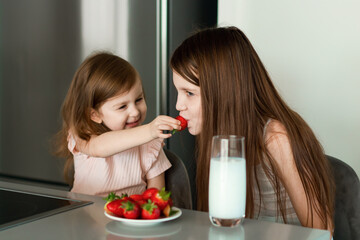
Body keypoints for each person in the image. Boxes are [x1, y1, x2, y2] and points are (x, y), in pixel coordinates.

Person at [170, 26, 335, 233]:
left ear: (223, 91)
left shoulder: (276, 138)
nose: (178, 105)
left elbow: (322, 232)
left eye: (189, 93)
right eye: (179, 92)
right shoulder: (219, 140)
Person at [55, 52, 181, 197]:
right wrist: (149, 131)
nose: (135, 112)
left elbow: (156, 197)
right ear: (94, 115)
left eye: (138, 99)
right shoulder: (83, 135)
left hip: (130, 217)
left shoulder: (151, 146)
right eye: (122, 107)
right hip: (85, 216)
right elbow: (100, 147)